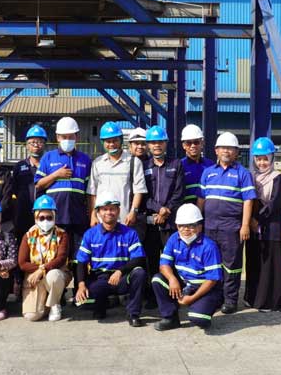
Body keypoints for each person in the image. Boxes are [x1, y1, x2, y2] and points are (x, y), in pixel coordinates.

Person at [198, 132, 256, 314]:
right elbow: (201, 200)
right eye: (223, 147)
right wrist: (198, 223)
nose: (226, 151)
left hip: (231, 227)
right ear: (216, 150)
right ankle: (215, 297)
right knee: (211, 264)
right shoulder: (208, 173)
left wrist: (245, 225)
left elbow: (248, 200)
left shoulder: (243, 173)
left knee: (232, 265)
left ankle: (230, 300)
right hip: (209, 227)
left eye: (230, 148)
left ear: (237, 152)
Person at [74, 191, 147, 327]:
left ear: (118, 211)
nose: (109, 212)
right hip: (100, 277)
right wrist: (81, 285)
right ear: (98, 213)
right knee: (88, 296)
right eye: (105, 209)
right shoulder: (90, 234)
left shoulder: (129, 233)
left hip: (123, 276)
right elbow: (81, 262)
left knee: (140, 273)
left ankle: (133, 314)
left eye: (112, 209)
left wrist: (120, 271)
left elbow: (139, 258)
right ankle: (100, 306)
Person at [152, 204, 224, 330]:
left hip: (204, 288)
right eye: (181, 226)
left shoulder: (209, 246)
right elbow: (164, 264)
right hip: (184, 284)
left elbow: (212, 279)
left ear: (200, 226)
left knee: (198, 319)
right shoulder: (174, 238)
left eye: (191, 225)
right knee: (157, 279)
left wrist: (191, 299)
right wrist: (172, 279)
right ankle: (170, 318)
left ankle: (209, 304)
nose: (186, 229)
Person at [34, 116, 92, 271]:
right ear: (57, 137)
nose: (67, 140)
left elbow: (89, 191)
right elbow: (38, 185)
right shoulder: (48, 157)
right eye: (64, 137)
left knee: (78, 256)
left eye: (71, 137)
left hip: (78, 217)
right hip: (56, 217)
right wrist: (55, 175)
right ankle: (58, 291)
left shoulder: (85, 160)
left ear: (77, 137)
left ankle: (77, 289)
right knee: (56, 254)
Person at [142, 126, 185, 306]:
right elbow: (142, 194)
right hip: (151, 222)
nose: (157, 145)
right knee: (151, 260)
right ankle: (153, 297)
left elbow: (179, 191)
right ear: (148, 146)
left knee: (172, 259)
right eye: (153, 142)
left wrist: (167, 209)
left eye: (160, 142)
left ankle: (173, 294)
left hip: (170, 222)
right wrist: (158, 209)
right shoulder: (143, 167)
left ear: (166, 143)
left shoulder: (176, 164)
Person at [244, 137, 281, 312]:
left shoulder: (278, 178)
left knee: (270, 264)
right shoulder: (251, 176)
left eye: (265, 158)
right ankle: (252, 298)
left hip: (270, 227)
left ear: (271, 158)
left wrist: (257, 220)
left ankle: (269, 301)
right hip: (254, 228)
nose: (262, 162)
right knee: (254, 262)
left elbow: (274, 203)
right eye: (258, 158)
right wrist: (249, 221)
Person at [18, 195, 71, 322]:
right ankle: (46, 303)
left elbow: (61, 259)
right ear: (36, 218)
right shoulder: (28, 235)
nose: (45, 221)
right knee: (32, 316)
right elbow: (22, 263)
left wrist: (42, 270)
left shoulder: (62, 234)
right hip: (34, 278)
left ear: (54, 217)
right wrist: (38, 271)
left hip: (56, 273)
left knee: (53, 275)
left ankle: (54, 304)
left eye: (49, 217)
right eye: (41, 217)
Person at [87, 121, 147, 228]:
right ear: (103, 143)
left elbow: (139, 190)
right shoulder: (97, 163)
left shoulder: (133, 162)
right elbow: (92, 192)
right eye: (108, 141)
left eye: (115, 140)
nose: (111, 144)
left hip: (125, 220)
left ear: (121, 141)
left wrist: (133, 212)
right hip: (102, 221)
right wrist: (93, 215)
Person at [13, 125, 48, 241]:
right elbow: (14, 190)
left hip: (44, 213)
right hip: (23, 215)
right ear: (27, 145)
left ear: (45, 144)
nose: (36, 145)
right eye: (32, 142)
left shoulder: (49, 166)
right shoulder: (19, 166)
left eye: (40, 142)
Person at [180, 124, 215, 204]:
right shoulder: (179, 166)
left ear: (202, 143)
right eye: (189, 143)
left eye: (196, 142)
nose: (193, 146)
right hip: (186, 209)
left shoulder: (210, 165)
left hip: (207, 208)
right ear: (184, 146)